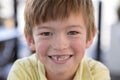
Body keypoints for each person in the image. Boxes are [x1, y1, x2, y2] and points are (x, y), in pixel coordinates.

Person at [7, 0, 110, 80]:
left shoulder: (97, 74)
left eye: (72, 32)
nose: (60, 45)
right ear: (30, 40)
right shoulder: (22, 72)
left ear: (90, 37)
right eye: (46, 33)